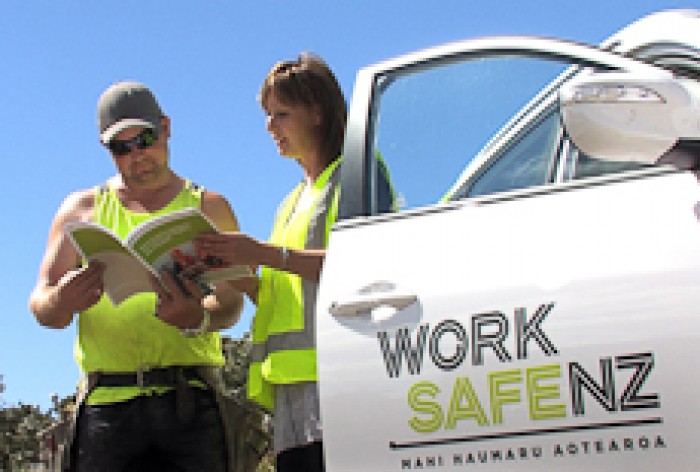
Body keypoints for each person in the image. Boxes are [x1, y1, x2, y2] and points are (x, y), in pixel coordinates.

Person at [28, 80, 245, 472]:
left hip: (190, 404)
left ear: (166, 127)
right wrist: (61, 301)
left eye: (144, 139)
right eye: (120, 147)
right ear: (106, 150)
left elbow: (232, 301)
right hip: (107, 409)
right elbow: (41, 303)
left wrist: (199, 317)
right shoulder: (80, 210)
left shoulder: (209, 208)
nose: (136, 155)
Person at [194, 53, 347, 472]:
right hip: (289, 390)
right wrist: (240, 275)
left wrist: (261, 254)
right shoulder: (290, 203)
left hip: (340, 381)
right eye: (267, 115)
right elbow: (286, 291)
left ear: (318, 112)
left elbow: (362, 267)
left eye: (281, 113)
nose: (269, 126)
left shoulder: (354, 178)